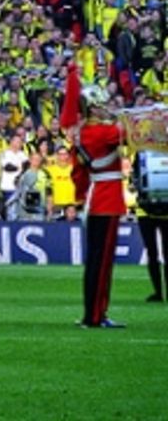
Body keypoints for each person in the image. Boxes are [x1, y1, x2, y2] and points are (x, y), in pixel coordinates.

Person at [62, 67, 127, 328]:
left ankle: (96, 312)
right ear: (92, 109)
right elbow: (129, 131)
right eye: (101, 106)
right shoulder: (101, 132)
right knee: (101, 264)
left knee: (97, 261)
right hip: (106, 199)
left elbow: (79, 174)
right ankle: (95, 316)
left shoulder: (85, 134)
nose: (105, 110)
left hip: (96, 197)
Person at [134, 150, 168, 303]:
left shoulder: (142, 153)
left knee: (156, 252)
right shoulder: (141, 154)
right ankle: (158, 292)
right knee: (152, 252)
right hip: (145, 211)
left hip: (153, 210)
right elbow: (136, 178)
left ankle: (159, 292)